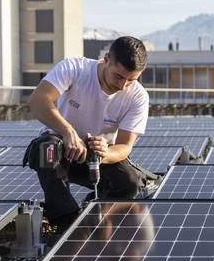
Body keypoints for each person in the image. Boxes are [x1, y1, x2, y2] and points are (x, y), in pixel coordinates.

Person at [26, 36, 150, 231]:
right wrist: (68, 132)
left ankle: (95, 215)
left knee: (129, 181)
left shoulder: (138, 97)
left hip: (95, 160)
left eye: (131, 80)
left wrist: (105, 153)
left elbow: (125, 147)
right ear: (106, 59)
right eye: (118, 76)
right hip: (60, 153)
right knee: (46, 149)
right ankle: (66, 223)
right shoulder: (75, 69)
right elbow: (38, 100)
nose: (122, 86)